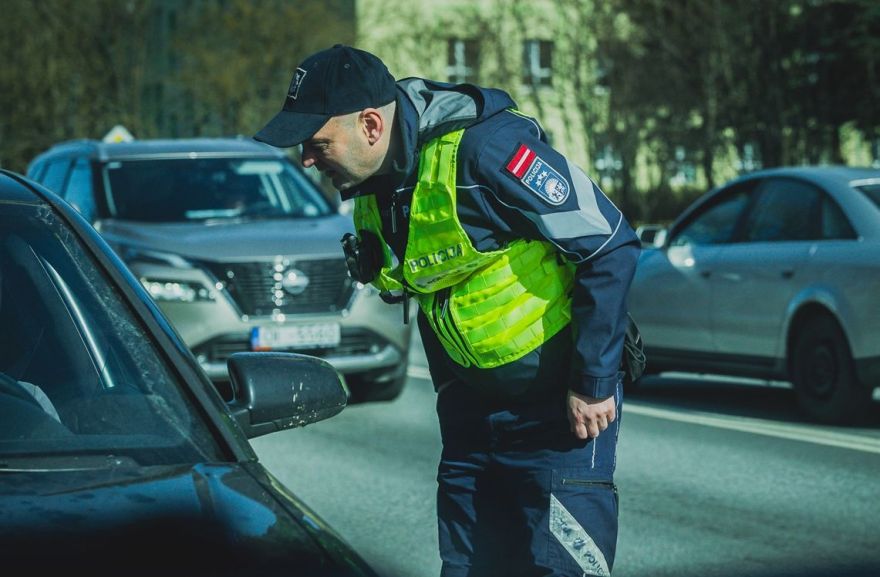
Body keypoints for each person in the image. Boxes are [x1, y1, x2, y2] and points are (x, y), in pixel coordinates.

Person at [255, 44, 640, 577]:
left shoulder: (488, 151)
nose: (307, 160)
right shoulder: (374, 185)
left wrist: (593, 380)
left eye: (317, 144)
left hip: (558, 416)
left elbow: (609, 243)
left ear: (370, 124)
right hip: (472, 422)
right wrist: (452, 395)